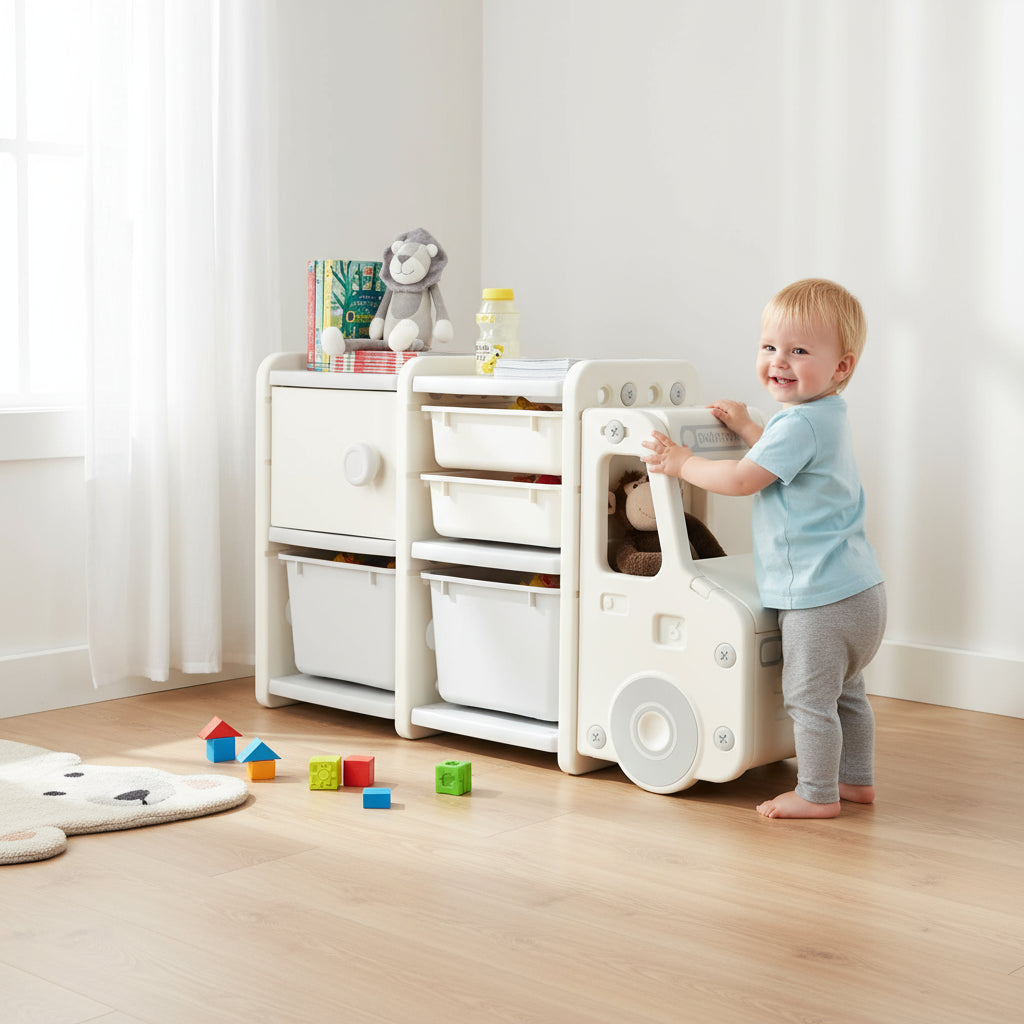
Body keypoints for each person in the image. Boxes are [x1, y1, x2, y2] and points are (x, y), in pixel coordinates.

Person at [641, 278, 886, 819]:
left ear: (841, 367)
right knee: (848, 695)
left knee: (808, 699)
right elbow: (785, 458)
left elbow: (743, 480)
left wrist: (682, 464)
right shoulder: (825, 418)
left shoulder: (798, 423)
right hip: (861, 594)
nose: (780, 360)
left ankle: (817, 793)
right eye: (770, 347)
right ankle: (857, 780)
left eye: (800, 350)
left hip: (819, 600)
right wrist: (751, 425)